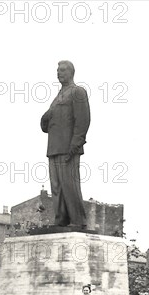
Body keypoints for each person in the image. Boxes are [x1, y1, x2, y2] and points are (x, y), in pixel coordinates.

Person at [41, 60, 90, 227]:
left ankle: (78, 221)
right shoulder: (57, 97)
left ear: (71, 72)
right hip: (54, 147)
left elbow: (83, 120)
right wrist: (45, 118)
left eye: (62, 70)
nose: (58, 73)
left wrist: (75, 144)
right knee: (56, 187)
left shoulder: (77, 92)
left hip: (69, 148)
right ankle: (61, 219)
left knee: (70, 184)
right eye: (57, 70)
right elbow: (46, 126)